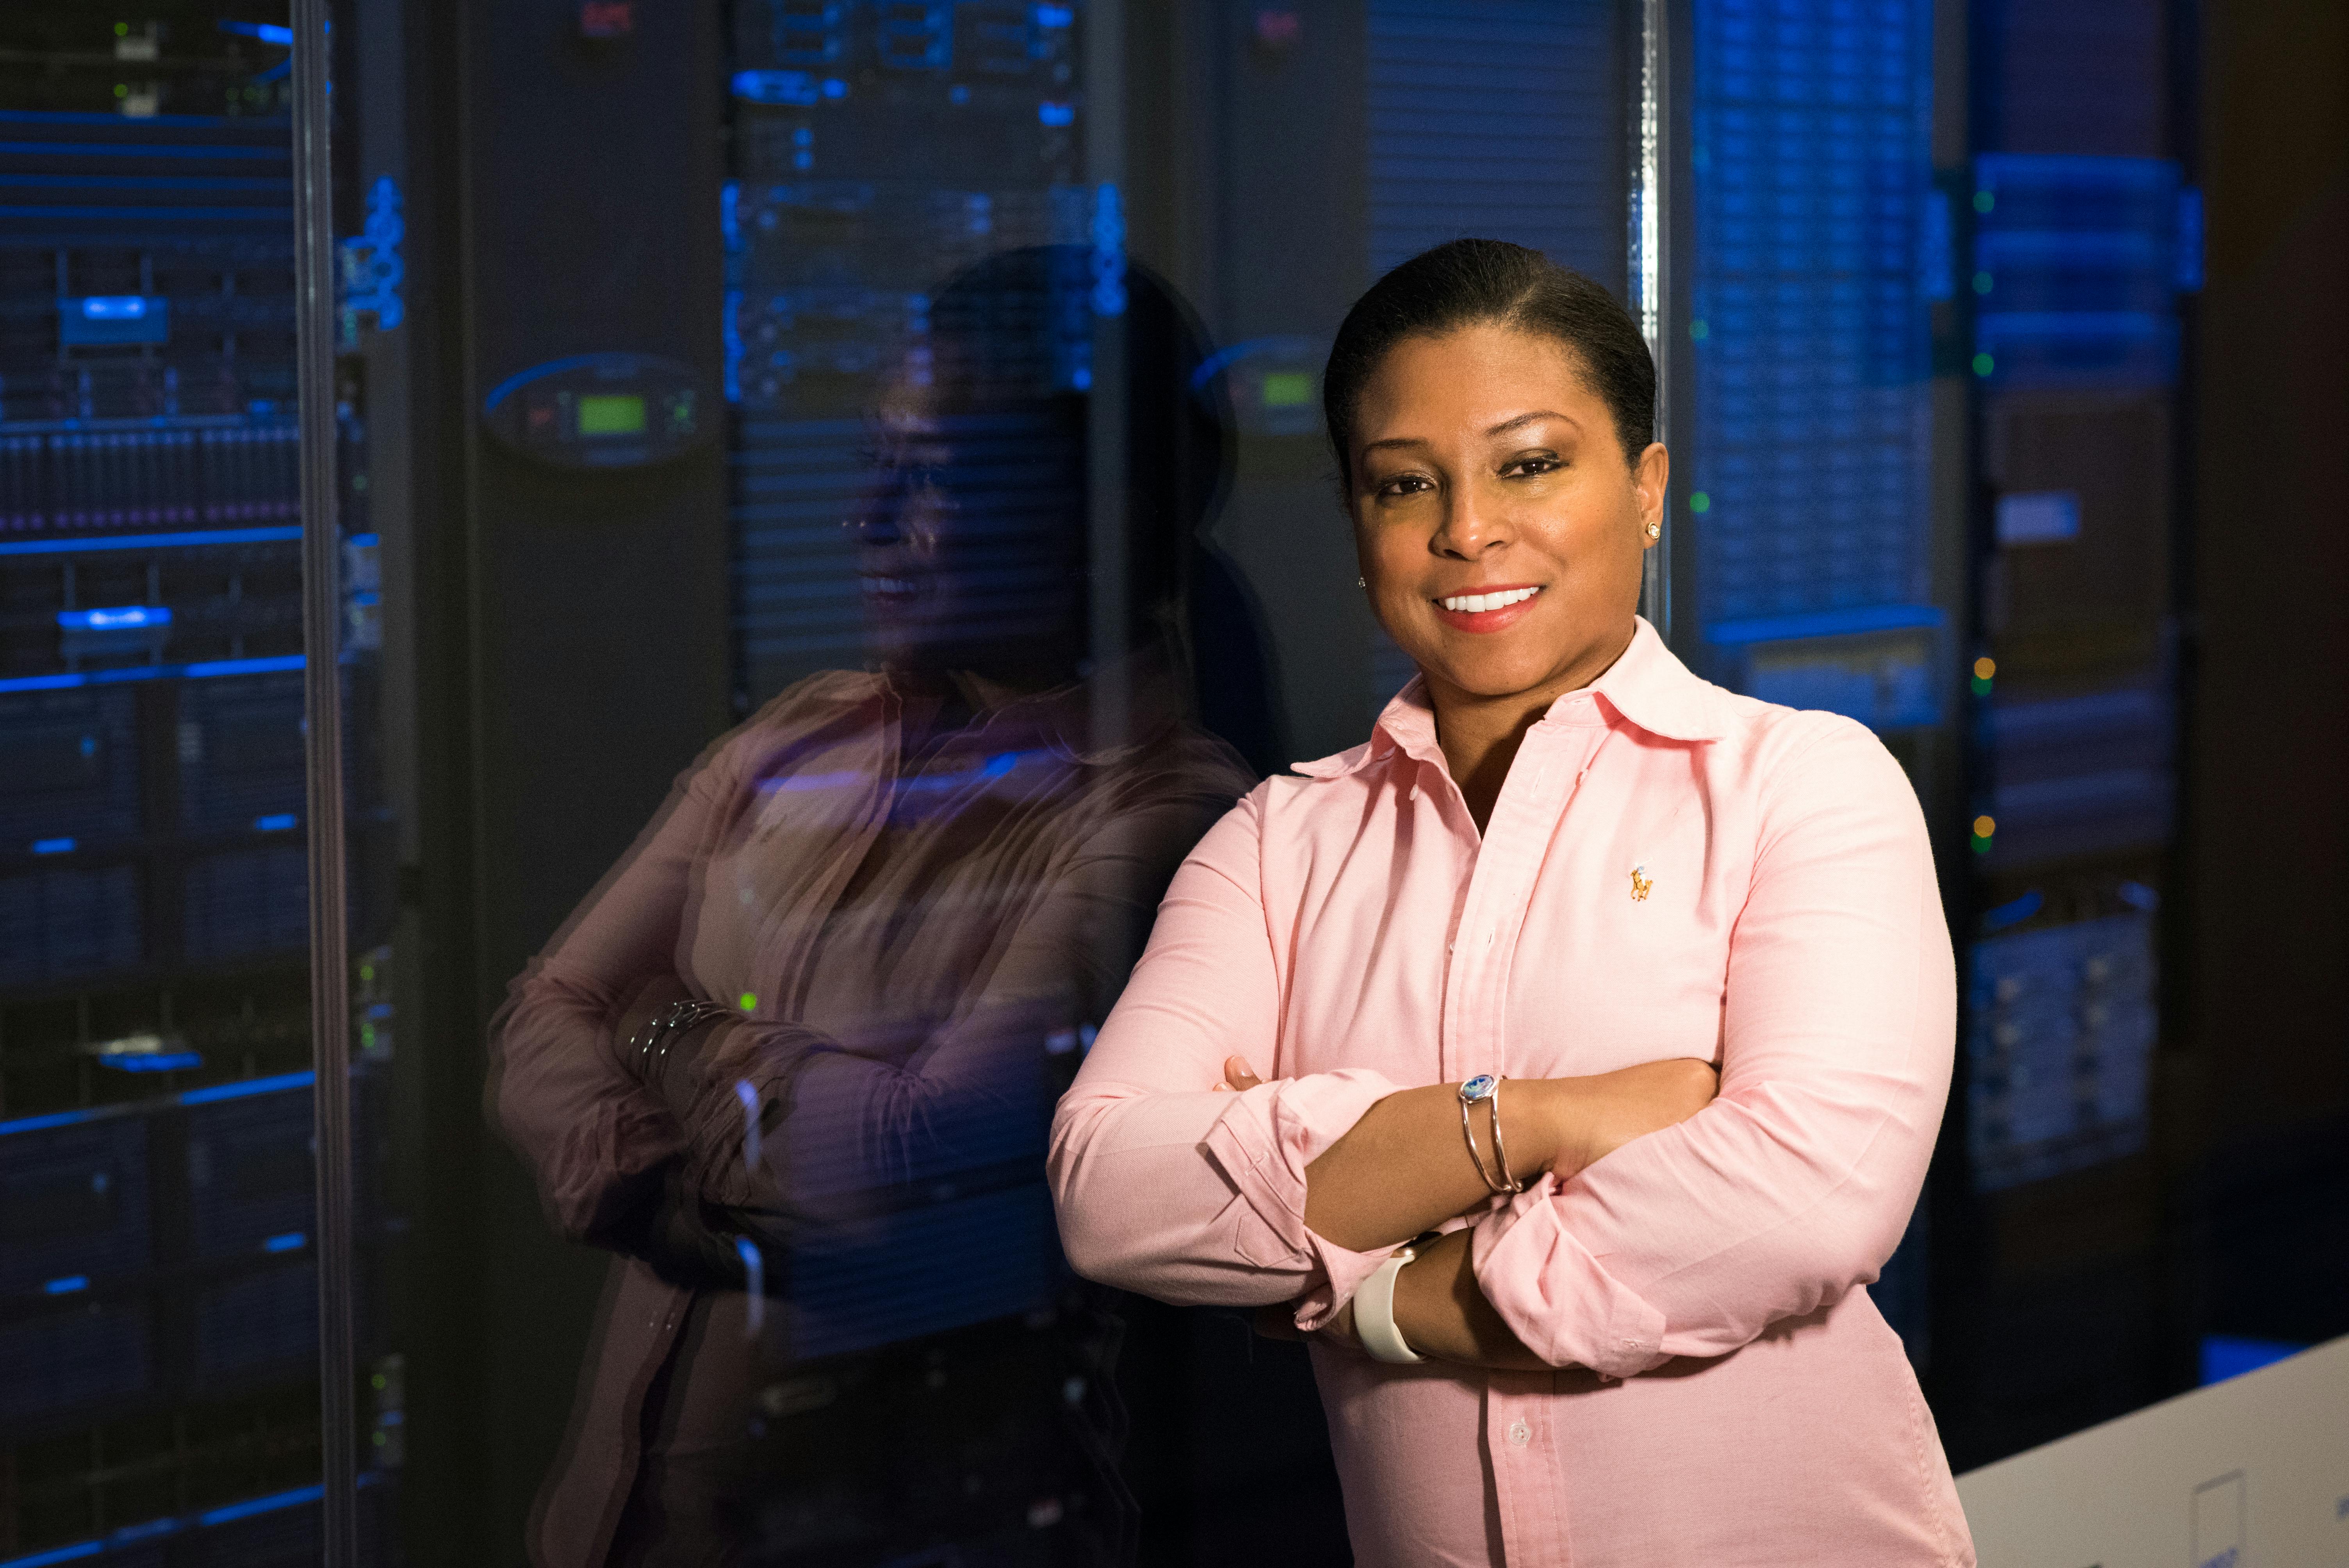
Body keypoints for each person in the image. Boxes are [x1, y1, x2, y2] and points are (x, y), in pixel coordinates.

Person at [1048, 238, 1975, 1566]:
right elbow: (1111, 1193)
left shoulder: (1805, 789)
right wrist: (1541, 1123)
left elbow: (1803, 1200)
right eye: (1406, 483)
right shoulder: (1278, 844)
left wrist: (1373, 1287)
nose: (1468, 528)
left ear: (1648, 489)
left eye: (1531, 464)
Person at [487, 247, 1257, 1566]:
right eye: (872, 466)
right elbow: (539, 1019)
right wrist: (683, 1191)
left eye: (933, 479)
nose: (866, 521)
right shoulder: (798, 739)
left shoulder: (1168, 815)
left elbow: (903, 1169)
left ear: (1091, 508)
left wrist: (673, 1036)